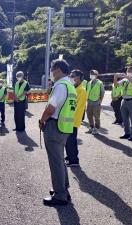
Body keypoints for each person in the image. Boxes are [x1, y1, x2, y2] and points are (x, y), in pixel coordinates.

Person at [39, 59, 76, 206]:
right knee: (60, 160)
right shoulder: (70, 85)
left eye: (52, 70)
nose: (51, 73)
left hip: (54, 127)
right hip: (64, 127)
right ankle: (63, 189)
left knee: (56, 162)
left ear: (58, 70)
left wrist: (42, 120)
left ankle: (60, 195)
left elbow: (50, 108)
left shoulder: (60, 85)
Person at [65, 69, 88, 167]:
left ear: (78, 78)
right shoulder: (74, 88)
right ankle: (71, 155)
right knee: (69, 140)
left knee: (71, 140)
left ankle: (73, 160)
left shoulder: (81, 90)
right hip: (69, 119)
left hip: (72, 120)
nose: (71, 77)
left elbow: (76, 107)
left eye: (72, 76)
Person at [116, 66, 132, 141]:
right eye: (127, 71)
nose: (128, 72)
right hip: (124, 101)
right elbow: (116, 85)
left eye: (129, 71)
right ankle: (127, 133)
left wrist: (127, 77)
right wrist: (115, 77)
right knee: (125, 119)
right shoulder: (125, 80)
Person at [86, 70, 104, 135]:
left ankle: (96, 128)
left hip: (96, 102)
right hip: (89, 102)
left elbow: (102, 93)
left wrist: (100, 101)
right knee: (89, 115)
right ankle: (91, 127)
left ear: (96, 75)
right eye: (91, 74)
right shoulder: (89, 82)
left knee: (96, 117)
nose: (91, 75)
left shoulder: (100, 83)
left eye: (93, 74)